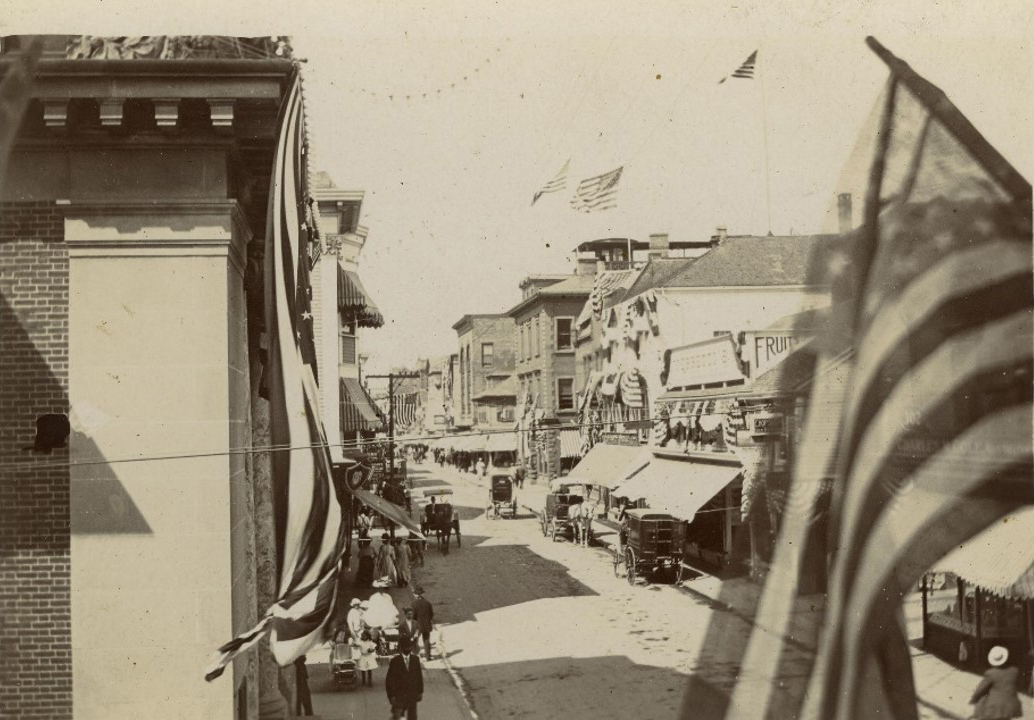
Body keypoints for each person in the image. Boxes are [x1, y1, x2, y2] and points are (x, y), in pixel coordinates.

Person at [968, 646, 1023, 719]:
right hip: (1011, 706)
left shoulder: (991, 673)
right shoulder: (1014, 671)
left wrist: (974, 698)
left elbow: (981, 689)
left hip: (996, 707)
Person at [385, 639, 424, 720]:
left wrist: (420, 691)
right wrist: (391, 695)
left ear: (411, 647)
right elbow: (389, 680)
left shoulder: (415, 660)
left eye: (409, 647)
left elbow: (419, 676)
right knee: (398, 716)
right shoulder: (395, 661)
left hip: (412, 694)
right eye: (405, 647)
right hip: (399, 695)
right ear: (401, 648)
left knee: (412, 716)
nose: (407, 649)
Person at [412, 587, 435, 661]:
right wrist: (428, 620)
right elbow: (431, 614)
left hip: (418, 625)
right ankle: (428, 657)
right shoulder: (427, 603)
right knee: (426, 640)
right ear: (421, 594)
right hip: (427, 624)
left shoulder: (413, 604)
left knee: (415, 640)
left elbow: (412, 616)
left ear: (415, 595)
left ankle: (416, 655)